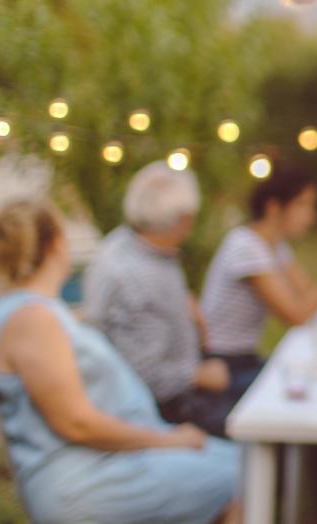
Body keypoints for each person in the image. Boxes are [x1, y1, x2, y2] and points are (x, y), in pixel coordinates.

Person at [0, 200, 239, 524]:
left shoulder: (24, 310)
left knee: (243, 463)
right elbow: (76, 423)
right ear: (55, 245)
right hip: (87, 479)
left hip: (107, 466)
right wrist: (169, 440)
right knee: (250, 476)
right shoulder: (32, 318)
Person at [199, 168, 317, 523]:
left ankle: (316, 507)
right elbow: (297, 314)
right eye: (304, 205)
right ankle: (307, 508)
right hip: (224, 366)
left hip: (245, 359)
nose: (311, 215)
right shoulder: (245, 248)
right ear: (273, 207)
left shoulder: (273, 247)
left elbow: (307, 301)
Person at [83, 161, 233, 437]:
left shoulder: (125, 244)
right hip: (164, 413)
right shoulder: (137, 276)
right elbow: (143, 377)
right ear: (184, 220)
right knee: (266, 429)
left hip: (176, 390)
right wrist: (200, 375)